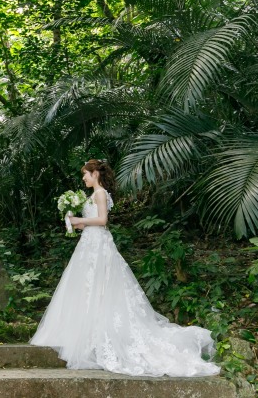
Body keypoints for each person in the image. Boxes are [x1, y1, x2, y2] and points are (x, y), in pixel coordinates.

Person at [30, 159, 220, 377]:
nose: (83, 178)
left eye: (86, 174)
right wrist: (76, 222)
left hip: (99, 245)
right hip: (88, 244)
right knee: (87, 288)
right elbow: (92, 221)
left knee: (100, 287)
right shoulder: (92, 195)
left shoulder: (100, 193)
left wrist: (79, 219)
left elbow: (102, 220)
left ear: (95, 174)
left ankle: (99, 335)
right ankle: (88, 332)